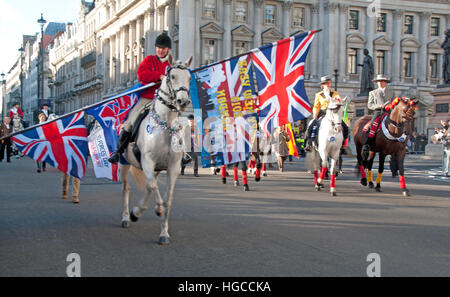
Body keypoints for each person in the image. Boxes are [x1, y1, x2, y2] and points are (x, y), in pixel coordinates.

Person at [108, 32, 172, 164]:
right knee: (131, 121)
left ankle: (182, 153)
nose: (160, 50)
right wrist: (159, 77)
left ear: (168, 50)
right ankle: (118, 151)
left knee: (178, 123)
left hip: (165, 101)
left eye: (163, 48)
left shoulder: (171, 65)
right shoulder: (149, 60)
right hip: (148, 98)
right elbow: (142, 75)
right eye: (158, 47)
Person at [305, 75, 348, 151]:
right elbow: (316, 106)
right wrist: (315, 114)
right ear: (322, 85)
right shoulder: (318, 95)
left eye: (329, 83)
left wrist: (332, 99)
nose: (327, 85)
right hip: (323, 111)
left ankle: (343, 144)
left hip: (333, 112)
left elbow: (338, 102)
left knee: (344, 127)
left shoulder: (335, 93)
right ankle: (309, 143)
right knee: (311, 126)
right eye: (325, 83)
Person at [362, 74, 394, 152]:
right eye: (379, 81)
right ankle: (367, 143)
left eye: (382, 81)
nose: (380, 83)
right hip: (378, 112)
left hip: (389, 112)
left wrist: (390, 106)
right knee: (372, 125)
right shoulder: (373, 92)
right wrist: (379, 106)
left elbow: (394, 103)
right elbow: (370, 105)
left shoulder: (391, 92)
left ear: (385, 82)